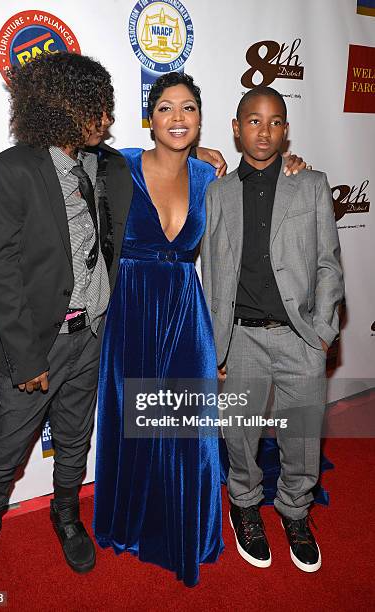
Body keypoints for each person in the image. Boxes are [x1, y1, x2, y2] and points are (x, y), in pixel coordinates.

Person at [0, 53, 226, 592]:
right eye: (97, 108)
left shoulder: (111, 165)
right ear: (63, 107)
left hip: (96, 336)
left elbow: (160, 156)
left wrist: (201, 154)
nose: (107, 119)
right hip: (38, 346)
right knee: (6, 445)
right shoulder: (11, 169)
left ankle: (67, 516)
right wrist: (24, 358)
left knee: (75, 439)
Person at [93, 73, 306, 586]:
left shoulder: (213, 179)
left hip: (188, 307)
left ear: (201, 118)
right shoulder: (118, 165)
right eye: (166, 108)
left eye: (188, 109)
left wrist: (292, 166)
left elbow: (256, 215)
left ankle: (187, 523)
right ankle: (134, 519)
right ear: (151, 118)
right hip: (131, 308)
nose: (178, 118)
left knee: (189, 425)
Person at [201, 86, 344, 572]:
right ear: (237, 128)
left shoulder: (311, 183)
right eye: (254, 121)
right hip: (238, 337)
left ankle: (295, 511)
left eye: (276, 121)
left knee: (302, 437)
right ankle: (243, 504)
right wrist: (214, 348)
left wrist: (323, 329)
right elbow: (212, 272)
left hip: (298, 336)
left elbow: (328, 262)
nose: (265, 130)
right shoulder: (215, 190)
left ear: (286, 130)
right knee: (238, 435)